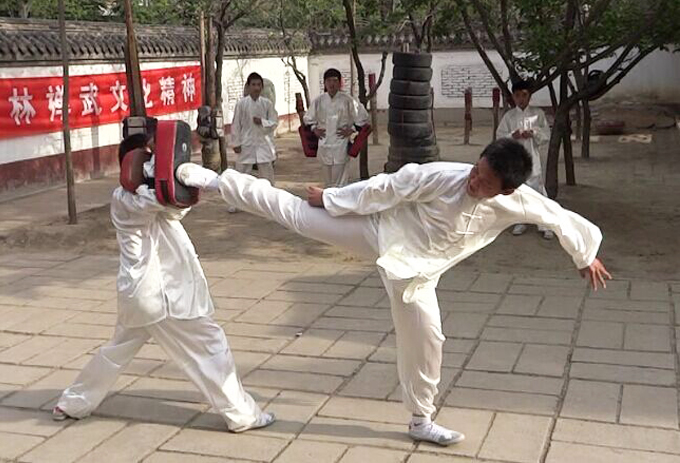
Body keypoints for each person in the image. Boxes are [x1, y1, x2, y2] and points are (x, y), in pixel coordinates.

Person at [176, 138, 610, 446]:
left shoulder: (520, 200)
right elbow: (389, 186)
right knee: (295, 213)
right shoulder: (445, 176)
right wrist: (332, 199)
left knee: (428, 339)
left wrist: (584, 256)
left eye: (484, 182)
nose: (473, 181)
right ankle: (215, 182)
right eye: (476, 170)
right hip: (379, 232)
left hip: (417, 274)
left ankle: (421, 419)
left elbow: (558, 216)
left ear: (507, 189)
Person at [53, 126, 275, 433]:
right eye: (149, 157)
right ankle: (243, 416)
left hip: (141, 297)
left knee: (116, 351)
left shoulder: (153, 197)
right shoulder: (124, 199)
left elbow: (174, 207)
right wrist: (161, 167)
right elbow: (154, 200)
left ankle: (73, 402)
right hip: (164, 297)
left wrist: (184, 173)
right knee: (211, 347)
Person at [496, 79, 553, 239]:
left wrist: (534, 134)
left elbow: (546, 135)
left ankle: (544, 223)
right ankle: (521, 221)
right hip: (515, 158)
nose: (521, 99)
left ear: (529, 96)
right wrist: (512, 135)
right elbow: (500, 137)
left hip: (532, 156)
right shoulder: (509, 116)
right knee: (519, 190)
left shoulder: (538, 114)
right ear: (513, 97)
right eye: (517, 95)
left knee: (537, 189)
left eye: (524, 95)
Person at [303, 68, 369, 188]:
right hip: (324, 144)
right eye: (329, 81)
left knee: (341, 182)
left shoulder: (348, 100)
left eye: (335, 80)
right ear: (324, 83)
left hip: (341, 144)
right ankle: (328, 199)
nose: (332, 84)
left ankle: (340, 200)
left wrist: (352, 129)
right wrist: (314, 129)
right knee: (328, 182)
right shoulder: (319, 101)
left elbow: (362, 116)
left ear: (339, 83)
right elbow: (308, 118)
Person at [228, 72, 279, 212]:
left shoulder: (267, 104)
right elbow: (236, 125)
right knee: (241, 174)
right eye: (253, 85)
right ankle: (236, 202)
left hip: (263, 143)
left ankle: (271, 202)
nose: (256, 88)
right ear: (248, 87)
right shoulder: (241, 104)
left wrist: (262, 122)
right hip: (246, 143)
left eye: (258, 85)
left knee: (267, 174)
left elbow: (274, 122)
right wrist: (236, 143)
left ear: (262, 87)